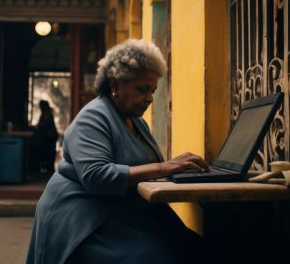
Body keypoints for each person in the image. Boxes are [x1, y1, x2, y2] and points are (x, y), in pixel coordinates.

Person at [26, 39, 209, 264]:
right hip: (86, 221)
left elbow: (144, 167)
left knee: (192, 246)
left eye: (153, 90)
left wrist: (179, 169)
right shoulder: (94, 117)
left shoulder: (136, 122)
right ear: (114, 85)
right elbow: (96, 176)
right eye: (142, 89)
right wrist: (164, 167)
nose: (150, 98)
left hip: (120, 214)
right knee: (156, 256)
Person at [35, 100, 58, 175]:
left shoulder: (47, 113)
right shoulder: (47, 112)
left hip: (49, 138)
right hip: (50, 137)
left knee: (48, 154)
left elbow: (44, 125)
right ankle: (49, 171)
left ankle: (49, 172)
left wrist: (37, 127)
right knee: (49, 154)